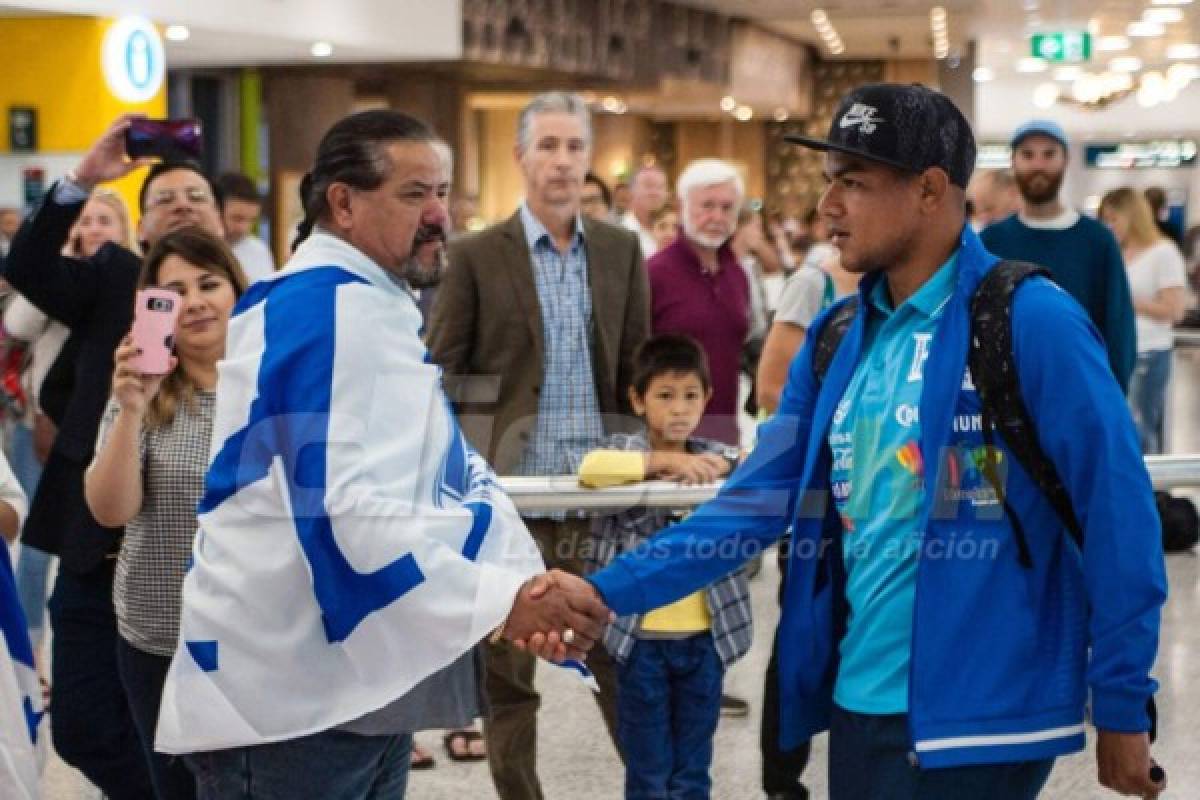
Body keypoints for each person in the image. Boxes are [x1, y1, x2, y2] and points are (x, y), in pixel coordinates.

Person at [583, 83, 1167, 800]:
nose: (828, 208)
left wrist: (1121, 701)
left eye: (853, 184)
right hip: (857, 704)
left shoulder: (1031, 319)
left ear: (928, 189)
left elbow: (1119, 510)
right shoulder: (839, 338)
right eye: (831, 183)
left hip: (984, 720)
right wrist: (601, 593)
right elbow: (753, 505)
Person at [153, 108, 606, 800]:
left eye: (443, 193)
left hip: (345, 686)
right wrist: (504, 598)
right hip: (289, 704)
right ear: (343, 202)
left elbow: (441, 475)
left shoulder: (365, 301)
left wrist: (517, 583)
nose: (438, 215)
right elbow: (340, 508)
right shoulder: (323, 309)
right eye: (414, 194)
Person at [427, 90, 649, 800]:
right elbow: (446, 371)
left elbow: (636, 370)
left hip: (599, 497)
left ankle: (655, 787)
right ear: (520, 156)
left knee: (617, 658)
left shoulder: (620, 249)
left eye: (574, 147)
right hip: (508, 499)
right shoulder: (474, 255)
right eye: (547, 146)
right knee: (508, 678)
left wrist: (638, 465)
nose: (561, 161)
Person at [3, 114, 227, 799]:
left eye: (198, 197)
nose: (183, 205)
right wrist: (86, 178)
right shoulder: (114, 280)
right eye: (165, 199)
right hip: (95, 546)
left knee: (194, 730)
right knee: (82, 726)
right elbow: (29, 267)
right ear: (145, 226)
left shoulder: (252, 309)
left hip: (203, 563)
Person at [85, 228, 247, 799]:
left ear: (237, 290)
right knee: (177, 790)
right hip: (162, 637)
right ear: (155, 310)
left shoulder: (272, 381)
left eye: (209, 283)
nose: (197, 300)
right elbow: (109, 510)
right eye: (174, 292)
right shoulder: (144, 391)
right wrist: (131, 410)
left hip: (262, 636)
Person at [578, 334, 749, 799]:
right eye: (665, 396)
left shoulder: (717, 457)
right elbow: (589, 467)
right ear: (638, 399)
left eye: (691, 396)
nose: (679, 409)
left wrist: (725, 467)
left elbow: (755, 471)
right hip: (640, 645)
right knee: (648, 772)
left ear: (708, 399)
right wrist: (658, 463)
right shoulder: (623, 451)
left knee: (693, 770)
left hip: (704, 643)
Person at [6, 187, 136, 675]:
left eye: (105, 220)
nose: (93, 230)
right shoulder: (75, 278)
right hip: (49, 425)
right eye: (86, 221)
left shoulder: (130, 279)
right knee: (40, 549)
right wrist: (67, 257)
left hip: (116, 429)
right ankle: (31, 651)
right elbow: (19, 320)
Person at [980, 119, 1136, 391]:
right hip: (1008, 400)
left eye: (1049, 154)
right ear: (1013, 162)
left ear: (1065, 160)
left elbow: (1119, 326)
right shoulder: (991, 241)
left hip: (1082, 391)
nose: (1038, 164)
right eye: (1028, 155)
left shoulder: (1098, 241)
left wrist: (1113, 396)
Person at [646, 158, 749, 449]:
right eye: (707, 206)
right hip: (668, 441)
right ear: (681, 208)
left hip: (724, 433)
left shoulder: (738, 274)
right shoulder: (654, 273)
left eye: (727, 208)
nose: (717, 216)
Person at [1098, 188, 1188, 454]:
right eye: (1105, 219)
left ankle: (1151, 490)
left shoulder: (1163, 253)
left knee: (1142, 429)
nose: (1109, 226)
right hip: (1117, 350)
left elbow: (1174, 310)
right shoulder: (1115, 252)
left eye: (1114, 219)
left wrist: (1125, 302)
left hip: (1149, 352)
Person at [214, 172, 275, 282]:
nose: (244, 228)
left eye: (251, 220)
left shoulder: (259, 251)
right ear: (215, 210)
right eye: (237, 218)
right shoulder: (194, 246)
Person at [622, 165, 669, 258]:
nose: (655, 193)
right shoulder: (619, 233)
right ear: (631, 191)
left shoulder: (676, 231)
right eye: (649, 186)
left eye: (661, 187)